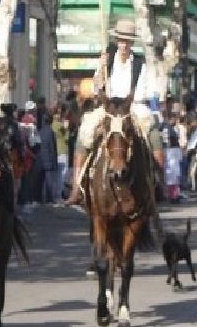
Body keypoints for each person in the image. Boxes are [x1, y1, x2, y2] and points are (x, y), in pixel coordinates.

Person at [65, 19, 154, 206]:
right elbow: (97, 88)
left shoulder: (139, 64)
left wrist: (127, 104)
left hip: (131, 106)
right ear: (117, 40)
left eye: (127, 41)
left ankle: (156, 182)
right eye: (121, 40)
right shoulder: (107, 58)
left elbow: (141, 92)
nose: (124, 44)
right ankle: (77, 186)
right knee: (85, 132)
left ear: (132, 43)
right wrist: (100, 73)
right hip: (109, 107)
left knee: (153, 133)